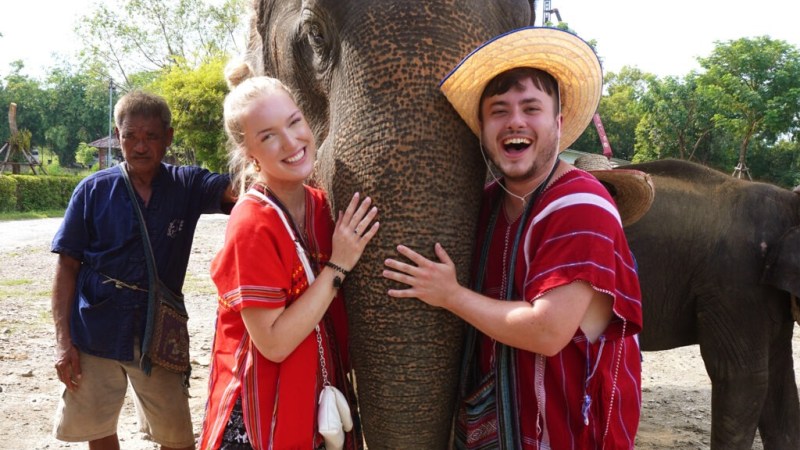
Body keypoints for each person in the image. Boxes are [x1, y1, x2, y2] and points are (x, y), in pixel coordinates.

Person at [382, 27, 653, 449]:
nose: (515, 122)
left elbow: (547, 331)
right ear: (483, 127)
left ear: (559, 124)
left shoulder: (581, 204)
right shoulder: (490, 205)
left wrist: (449, 294)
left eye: (531, 108)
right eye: (499, 110)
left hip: (571, 436)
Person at [199, 62, 378, 450]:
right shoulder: (251, 223)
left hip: (316, 391)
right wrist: (339, 263)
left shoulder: (321, 207)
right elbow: (274, 343)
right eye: (269, 137)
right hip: (263, 409)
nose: (292, 142)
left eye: (294, 122)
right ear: (250, 155)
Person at [51, 90, 237, 450]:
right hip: (95, 329)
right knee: (98, 426)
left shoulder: (187, 184)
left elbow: (235, 190)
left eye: (151, 136)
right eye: (130, 136)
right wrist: (63, 343)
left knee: (176, 435)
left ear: (168, 138)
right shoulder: (92, 190)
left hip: (158, 333)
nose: (140, 146)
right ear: (118, 137)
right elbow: (66, 268)